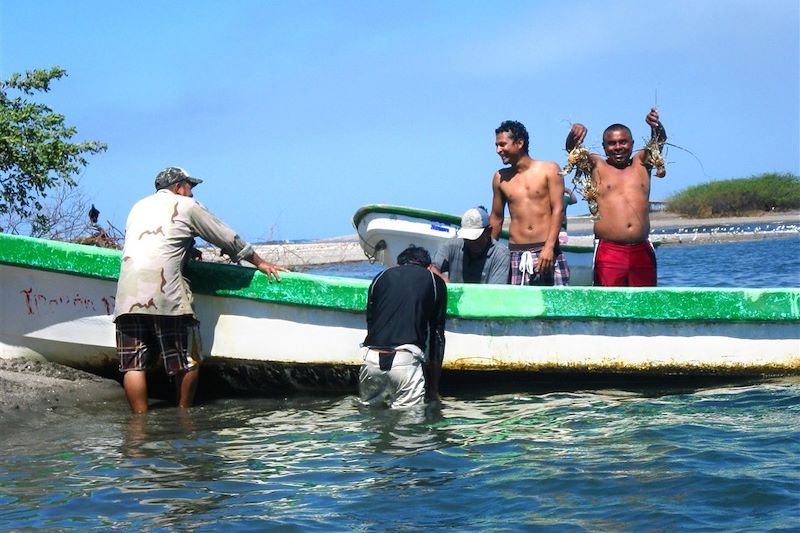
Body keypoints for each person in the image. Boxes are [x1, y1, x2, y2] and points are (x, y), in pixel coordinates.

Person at [113, 167, 286, 413]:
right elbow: (226, 237)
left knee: (134, 365)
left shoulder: (138, 207)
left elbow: (155, 243)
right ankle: (184, 418)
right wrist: (260, 262)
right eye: (189, 187)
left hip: (127, 297)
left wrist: (187, 249)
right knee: (187, 362)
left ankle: (138, 425)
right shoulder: (186, 206)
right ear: (178, 187)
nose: (192, 193)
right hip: (166, 295)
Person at [565, 107, 666, 286]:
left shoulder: (642, 163)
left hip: (641, 249)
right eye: (612, 143)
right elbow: (573, 151)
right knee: (608, 305)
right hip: (609, 250)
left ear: (632, 143)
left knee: (645, 305)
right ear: (604, 147)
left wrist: (656, 125)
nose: (618, 147)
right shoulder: (597, 165)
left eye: (623, 142)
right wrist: (574, 134)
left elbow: (659, 142)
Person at [359, 245, 447, 408]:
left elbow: (371, 323)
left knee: (370, 419)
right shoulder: (435, 281)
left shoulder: (380, 277)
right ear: (429, 267)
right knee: (408, 425)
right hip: (404, 360)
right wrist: (433, 388)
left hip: (370, 359)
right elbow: (437, 337)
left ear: (398, 264)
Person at [490, 120, 570, 286]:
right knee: (519, 310)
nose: (498, 150)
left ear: (519, 143)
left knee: (556, 307)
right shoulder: (500, 177)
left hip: (546, 251)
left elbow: (558, 209)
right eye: (496, 145)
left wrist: (549, 248)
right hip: (515, 253)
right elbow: (496, 218)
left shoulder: (549, 169)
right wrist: (490, 253)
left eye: (502, 144)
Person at [431, 206, 510, 284]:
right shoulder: (452, 245)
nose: (471, 242)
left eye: (476, 238)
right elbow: (432, 268)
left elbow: (495, 292)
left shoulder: (501, 255)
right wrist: (444, 281)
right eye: (467, 238)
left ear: (489, 231)